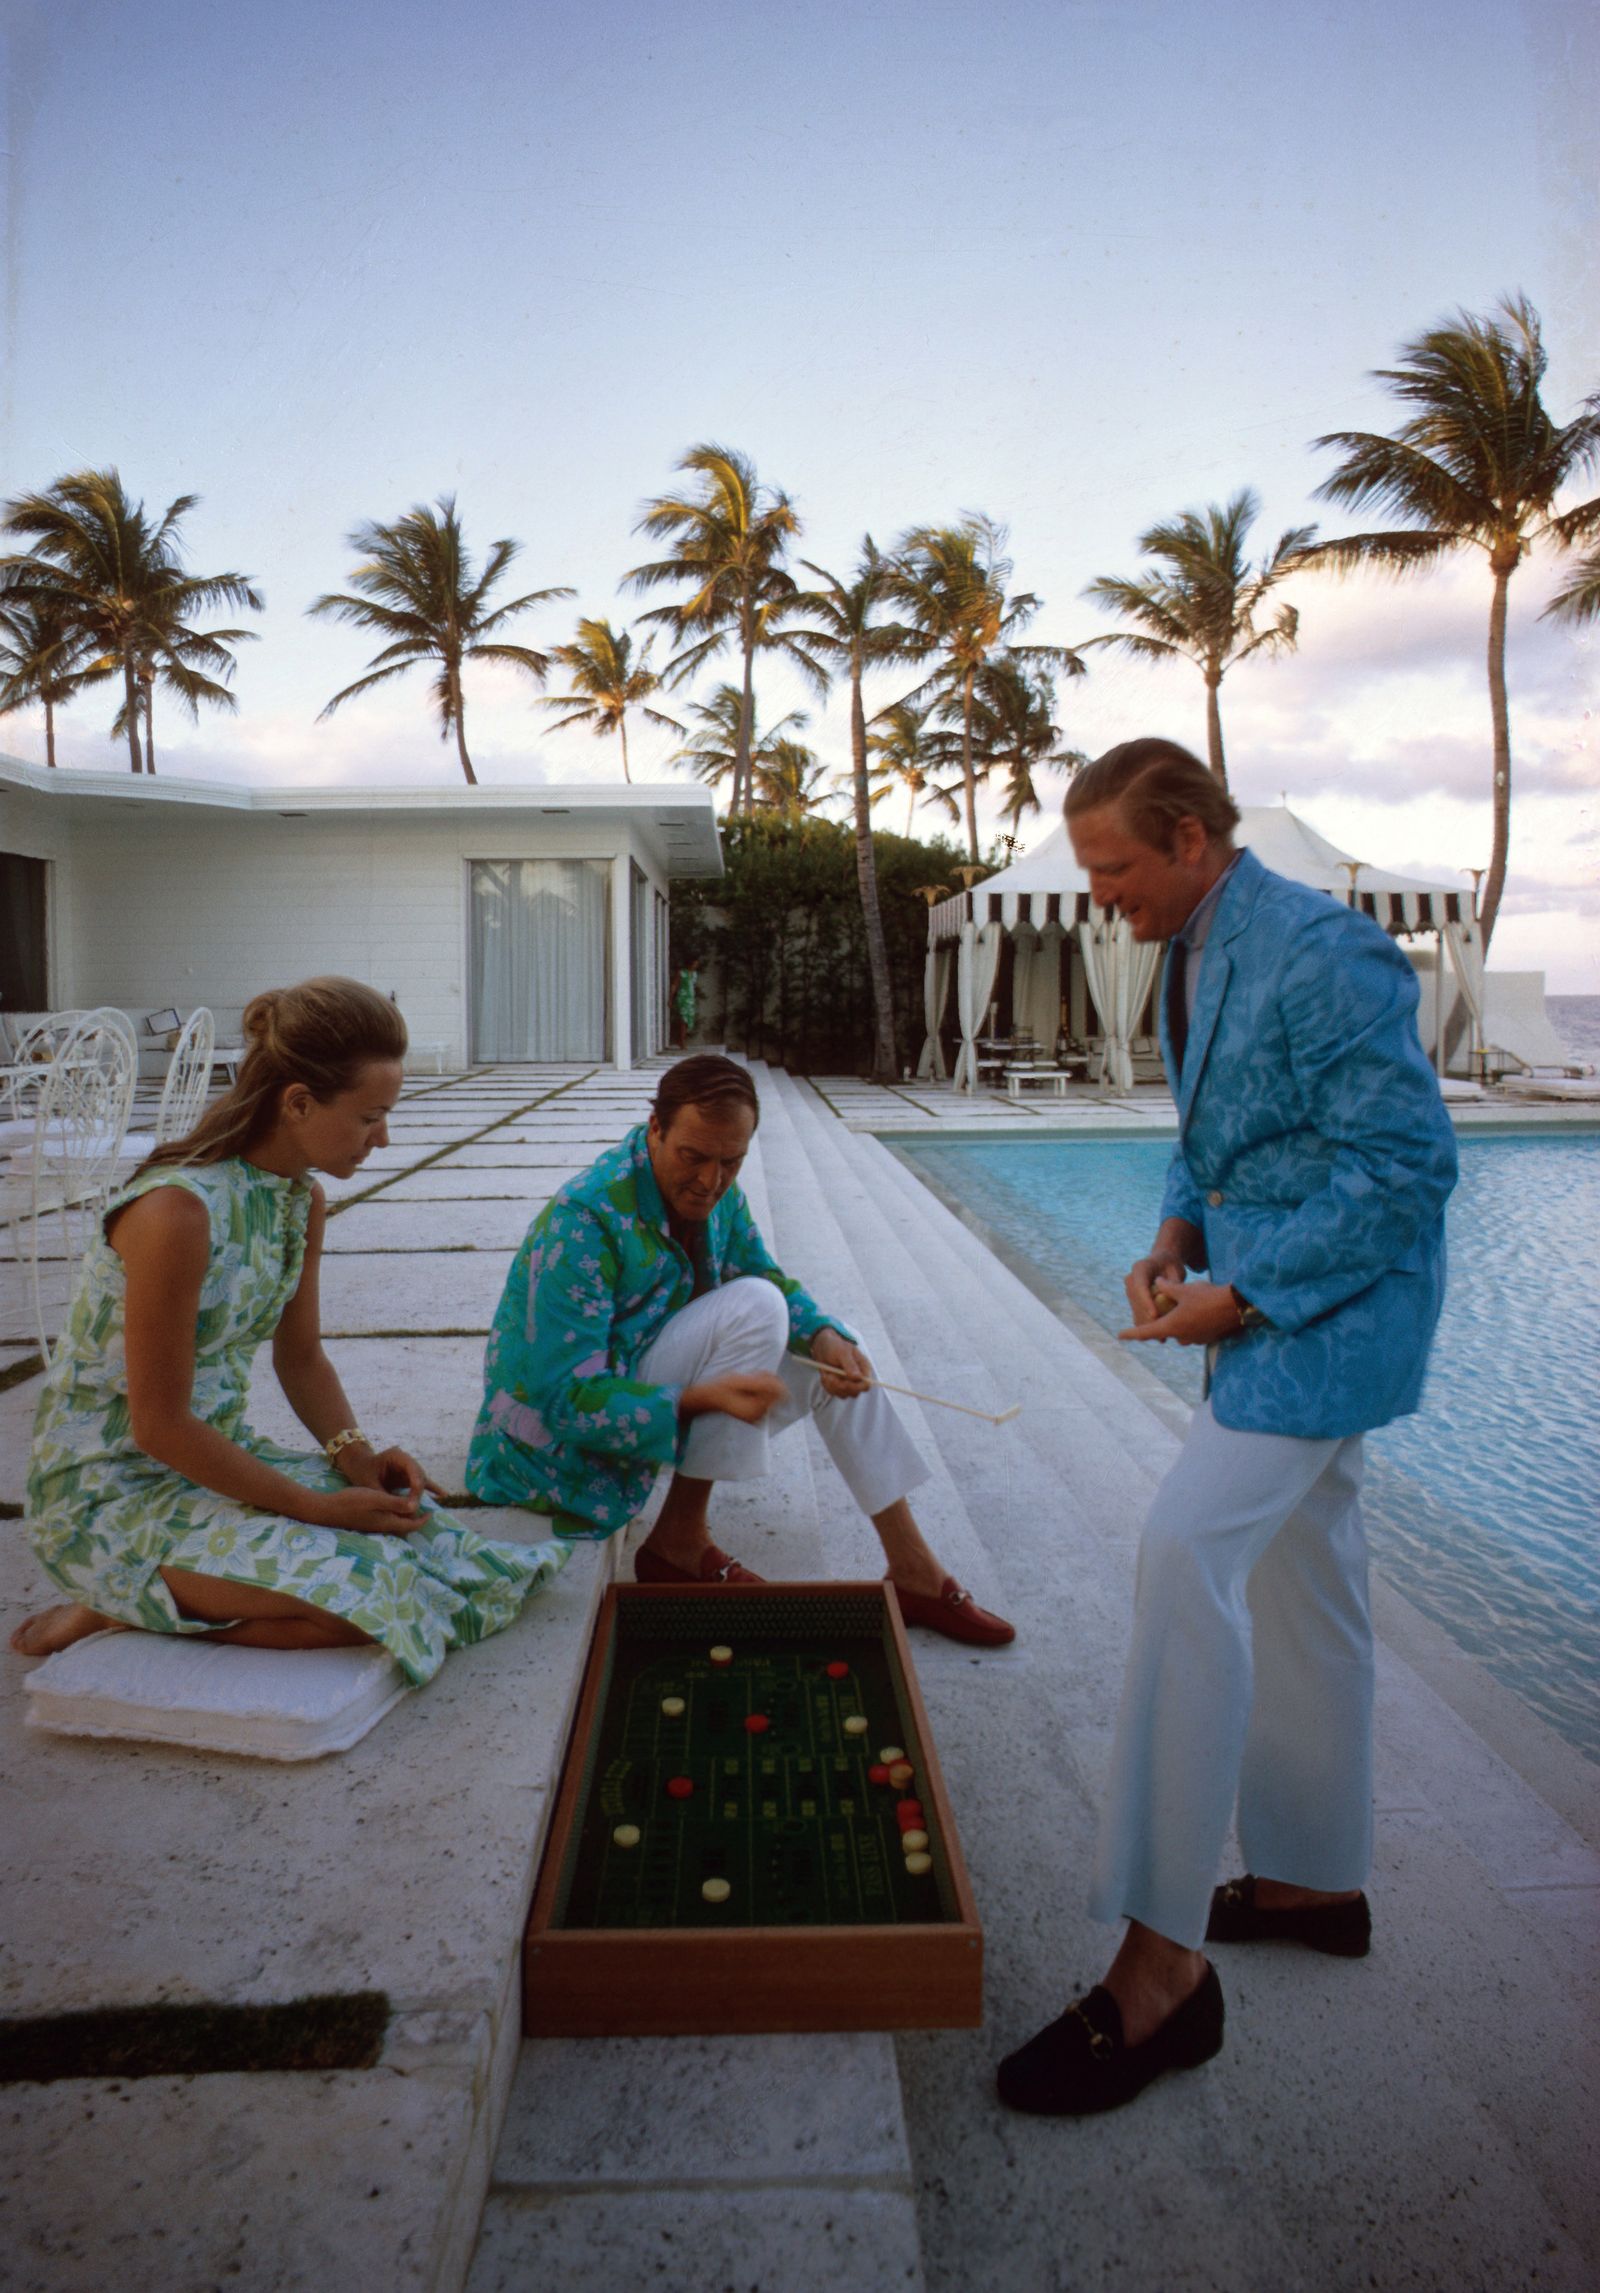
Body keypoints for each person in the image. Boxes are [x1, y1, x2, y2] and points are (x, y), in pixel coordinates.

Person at [997, 738, 1457, 2116]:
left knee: (1183, 1555)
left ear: (1192, 836)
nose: (1101, 898)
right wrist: (1173, 1231)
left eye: (1116, 868)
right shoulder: (1199, 937)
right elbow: (1217, 1128)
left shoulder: (1327, 953)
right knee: (1309, 1578)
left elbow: (1408, 1168)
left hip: (1325, 1327)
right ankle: (1318, 1876)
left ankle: (1158, 1975)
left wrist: (1242, 1293)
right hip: (1257, 1305)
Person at [11, 977, 566, 1683]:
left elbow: (300, 1358)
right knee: (363, 1603)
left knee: (431, 1548)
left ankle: (161, 1594)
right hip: (109, 1494)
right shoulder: (176, 1214)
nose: (384, 1138)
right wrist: (313, 1507)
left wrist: (355, 1459)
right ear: (299, 1102)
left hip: (215, 1462)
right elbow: (158, 1425)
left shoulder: (299, 1201)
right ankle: (116, 1601)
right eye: (371, 1116)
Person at [466, 1052, 1014, 1647]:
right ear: (655, 1127)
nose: (710, 1181)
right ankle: (682, 1539)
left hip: (645, 1388)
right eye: (693, 1157)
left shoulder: (718, 1188)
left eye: (732, 1161)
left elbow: (759, 1269)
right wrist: (702, 1397)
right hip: (555, 1449)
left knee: (832, 1348)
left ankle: (913, 1568)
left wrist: (828, 1334)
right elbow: (563, 1400)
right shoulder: (582, 1221)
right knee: (756, 1308)